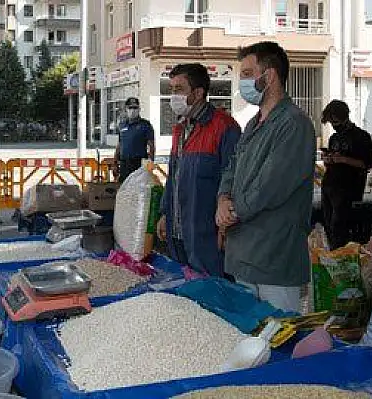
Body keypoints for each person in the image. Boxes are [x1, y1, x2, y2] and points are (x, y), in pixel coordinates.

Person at [216, 41, 316, 312]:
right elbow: (232, 166)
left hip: (274, 256)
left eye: (248, 74)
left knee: (278, 336)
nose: (242, 82)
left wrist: (233, 212)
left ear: (269, 76)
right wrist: (223, 199)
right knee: (249, 338)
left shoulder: (294, 124)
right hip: (244, 253)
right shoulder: (253, 123)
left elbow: (271, 185)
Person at [156, 63, 241, 277]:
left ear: (198, 93)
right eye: (171, 89)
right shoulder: (180, 128)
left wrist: (225, 228)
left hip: (207, 236)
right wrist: (165, 213)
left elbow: (234, 179)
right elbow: (173, 177)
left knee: (212, 296)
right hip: (178, 234)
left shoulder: (224, 127)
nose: (173, 95)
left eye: (179, 89)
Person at [320, 100, 372, 249]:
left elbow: (366, 164)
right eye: (331, 122)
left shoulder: (361, 137)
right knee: (329, 226)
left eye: (335, 121)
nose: (333, 125)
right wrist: (329, 160)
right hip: (329, 186)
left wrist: (343, 159)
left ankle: (342, 256)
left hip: (348, 190)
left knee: (340, 227)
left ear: (344, 117)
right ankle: (333, 254)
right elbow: (330, 163)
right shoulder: (334, 138)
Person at [112, 97, 155, 182]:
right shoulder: (122, 125)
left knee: (138, 190)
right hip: (124, 164)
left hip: (139, 163)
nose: (132, 110)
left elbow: (151, 145)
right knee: (123, 189)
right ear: (126, 109)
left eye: (135, 108)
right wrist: (115, 163)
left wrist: (151, 161)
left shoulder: (145, 125)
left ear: (139, 109)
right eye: (130, 108)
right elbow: (119, 145)